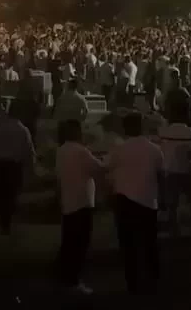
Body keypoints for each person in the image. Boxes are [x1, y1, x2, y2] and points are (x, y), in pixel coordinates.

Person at [108, 112, 163, 293]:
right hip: (148, 200)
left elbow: (107, 169)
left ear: (125, 129)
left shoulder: (118, 150)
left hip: (124, 200)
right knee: (149, 242)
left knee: (128, 244)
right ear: (142, 127)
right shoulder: (154, 149)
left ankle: (132, 281)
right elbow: (160, 174)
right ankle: (153, 278)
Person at [55, 119, 102, 294]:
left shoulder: (62, 150)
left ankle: (64, 276)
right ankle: (73, 280)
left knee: (69, 242)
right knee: (79, 243)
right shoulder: (81, 151)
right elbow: (98, 168)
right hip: (82, 202)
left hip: (68, 201)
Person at [0, 102, 36, 235]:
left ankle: (2, 220)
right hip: (14, 167)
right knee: (12, 194)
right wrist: (31, 168)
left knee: (0, 195)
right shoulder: (22, 129)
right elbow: (29, 151)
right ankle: (8, 221)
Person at [158, 103, 191, 238]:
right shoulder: (189, 131)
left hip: (170, 170)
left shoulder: (165, 131)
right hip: (186, 169)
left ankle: (174, 229)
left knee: (172, 203)